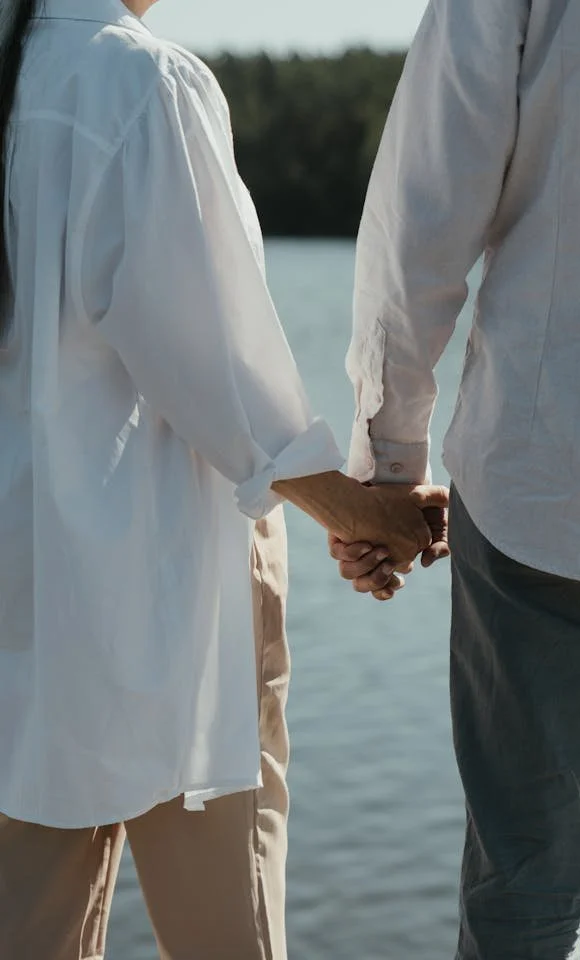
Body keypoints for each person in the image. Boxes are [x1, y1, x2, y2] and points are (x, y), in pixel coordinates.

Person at [0, 0, 449, 957]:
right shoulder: (136, 83)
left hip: (22, 617)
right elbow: (221, 375)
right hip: (170, 607)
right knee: (227, 936)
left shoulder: (25, 75)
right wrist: (362, 510)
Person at [331, 0, 580, 956]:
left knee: (525, 903)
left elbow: (426, 194)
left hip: (556, 473)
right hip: (546, 485)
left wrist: (385, 468)